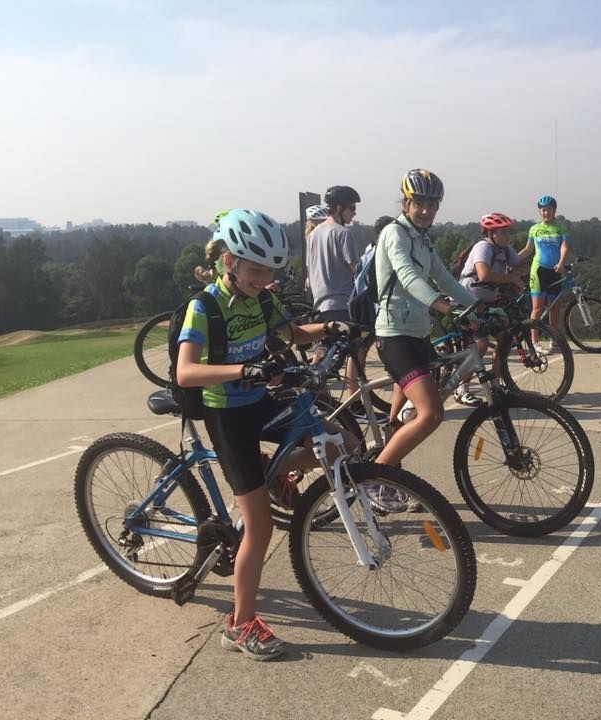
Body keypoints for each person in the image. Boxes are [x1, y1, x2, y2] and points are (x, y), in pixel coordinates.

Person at [176, 208, 351, 660]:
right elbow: (186, 371)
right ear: (229, 262)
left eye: (271, 270)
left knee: (340, 444)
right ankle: (239, 625)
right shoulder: (206, 306)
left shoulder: (262, 298)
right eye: (256, 269)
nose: (264, 278)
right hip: (226, 413)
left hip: (259, 399)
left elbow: (290, 331)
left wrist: (328, 327)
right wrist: (245, 368)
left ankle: (272, 475)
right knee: (261, 524)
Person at [373, 169, 476, 468]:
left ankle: (389, 467)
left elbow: (446, 279)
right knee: (431, 413)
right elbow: (407, 277)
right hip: (395, 335)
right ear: (406, 204)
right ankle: (376, 481)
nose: (426, 211)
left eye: (432, 205)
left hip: (418, 334)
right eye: (420, 203)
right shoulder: (395, 233)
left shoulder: (423, 240)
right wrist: (444, 307)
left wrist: (479, 307)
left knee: (408, 413)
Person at [453, 212, 530, 406]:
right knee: (481, 344)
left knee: (505, 338)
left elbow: (522, 265)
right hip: (467, 302)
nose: (507, 236)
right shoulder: (483, 247)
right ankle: (461, 389)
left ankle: (496, 384)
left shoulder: (505, 250)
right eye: (502, 232)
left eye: (507, 232)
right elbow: (484, 274)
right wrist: (511, 278)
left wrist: (518, 271)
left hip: (486, 303)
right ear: (491, 234)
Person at [304, 186, 366, 407]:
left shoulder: (313, 234)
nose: (354, 213)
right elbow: (356, 270)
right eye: (351, 208)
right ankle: (355, 401)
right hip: (341, 300)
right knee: (356, 349)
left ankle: (316, 394)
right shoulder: (343, 233)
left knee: (322, 350)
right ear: (339, 208)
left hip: (320, 301)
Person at [521, 195, 570, 354]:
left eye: (548, 209)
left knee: (555, 308)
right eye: (542, 210)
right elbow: (528, 249)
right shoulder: (534, 229)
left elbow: (564, 246)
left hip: (555, 270)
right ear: (539, 211)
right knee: (537, 308)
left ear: (554, 210)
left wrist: (562, 262)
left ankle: (553, 340)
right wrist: (513, 259)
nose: (545, 213)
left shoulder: (560, 228)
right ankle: (534, 342)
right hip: (538, 270)